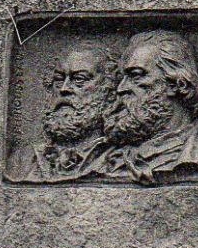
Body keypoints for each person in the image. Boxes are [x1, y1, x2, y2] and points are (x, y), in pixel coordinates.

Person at [97, 29, 198, 184]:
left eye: (136, 75)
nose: (121, 88)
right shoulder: (109, 159)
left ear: (177, 84)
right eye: (123, 78)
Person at [7, 40, 119, 181]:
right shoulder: (23, 160)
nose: (64, 89)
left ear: (109, 90)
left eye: (79, 79)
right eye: (59, 80)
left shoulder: (120, 160)